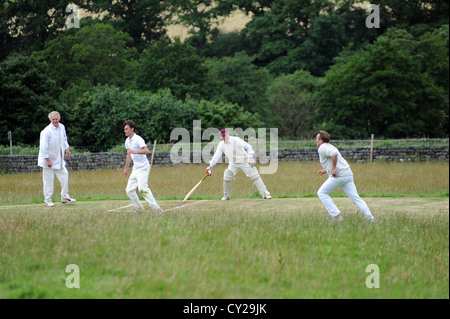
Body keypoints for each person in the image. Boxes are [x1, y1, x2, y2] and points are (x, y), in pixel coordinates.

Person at [316, 130, 374, 221]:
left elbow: (334, 155)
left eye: (317, 138)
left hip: (339, 176)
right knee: (356, 198)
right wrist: (325, 170)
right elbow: (334, 159)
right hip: (348, 174)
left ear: (321, 140)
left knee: (322, 193)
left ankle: (337, 217)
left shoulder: (322, 148)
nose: (316, 140)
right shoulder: (330, 146)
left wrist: (334, 169)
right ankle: (370, 218)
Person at [206, 129, 271, 200]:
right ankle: (226, 195)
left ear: (228, 134)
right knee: (227, 175)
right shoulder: (221, 144)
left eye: (224, 136)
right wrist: (210, 166)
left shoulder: (236, 140)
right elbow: (216, 156)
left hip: (244, 160)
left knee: (254, 174)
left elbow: (248, 147)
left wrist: (250, 158)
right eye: (222, 136)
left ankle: (265, 193)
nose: (224, 138)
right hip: (233, 163)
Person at [122, 120, 163, 213]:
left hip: (143, 167)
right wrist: (125, 169)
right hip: (135, 169)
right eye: (124, 129)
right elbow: (129, 155)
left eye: (127, 129)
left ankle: (157, 209)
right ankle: (139, 210)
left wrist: (134, 152)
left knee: (143, 189)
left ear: (132, 129)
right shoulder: (127, 141)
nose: (125, 131)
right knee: (129, 190)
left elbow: (147, 151)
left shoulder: (138, 139)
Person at [38, 111, 76, 207]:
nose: (55, 121)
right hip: (48, 161)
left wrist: (67, 148)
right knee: (48, 180)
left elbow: (64, 139)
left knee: (65, 176)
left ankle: (65, 197)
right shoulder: (46, 131)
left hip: (59, 160)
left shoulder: (62, 127)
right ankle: (48, 200)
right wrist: (47, 159)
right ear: (50, 120)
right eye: (53, 119)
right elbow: (43, 147)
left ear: (59, 118)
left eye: (56, 119)